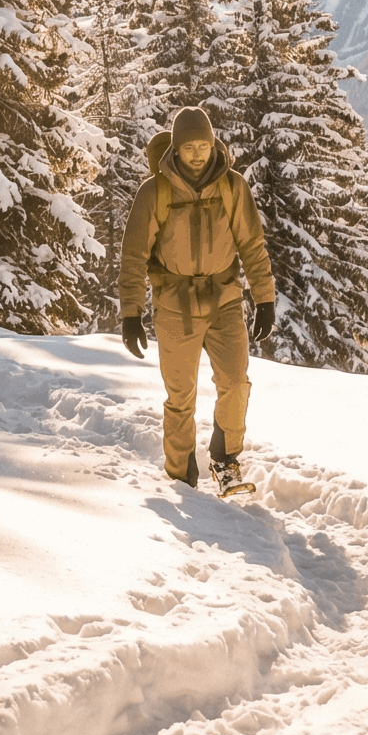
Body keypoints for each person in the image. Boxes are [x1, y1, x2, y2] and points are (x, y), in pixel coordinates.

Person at [118, 105, 276, 494]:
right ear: (176, 147)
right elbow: (134, 254)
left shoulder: (232, 186)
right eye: (189, 146)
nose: (197, 153)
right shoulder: (155, 191)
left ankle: (225, 460)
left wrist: (264, 299)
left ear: (213, 143)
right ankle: (181, 475)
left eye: (203, 145)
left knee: (236, 382)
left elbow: (252, 245)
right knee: (180, 395)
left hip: (223, 298)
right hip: (175, 305)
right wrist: (131, 313)